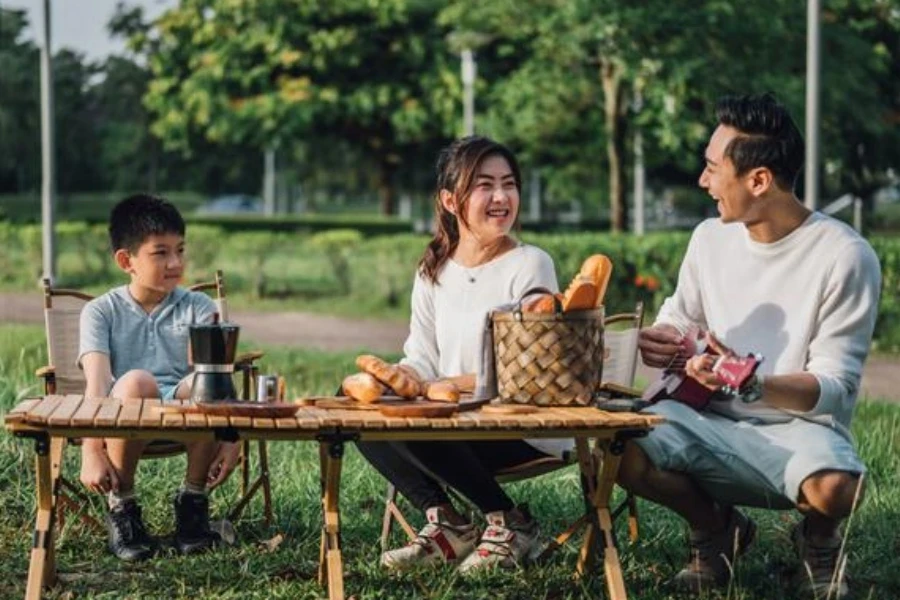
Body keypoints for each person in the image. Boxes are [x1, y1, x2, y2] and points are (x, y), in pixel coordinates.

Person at [619, 94, 881, 598]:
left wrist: (749, 380)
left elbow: (835, 388)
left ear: (758, 180)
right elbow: (681, 315)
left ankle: (819, 541)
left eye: (713, 169)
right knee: (618, 450)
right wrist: (667, 336)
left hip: (796, 431)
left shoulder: (845, 256)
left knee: (838, 486)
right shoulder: (709, 238)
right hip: (706, 421)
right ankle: (716, 531)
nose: (703, 181)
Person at [354, 136, 570, 573]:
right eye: (484, 185)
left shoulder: (530, 264)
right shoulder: (434, 269)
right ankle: (449, 524)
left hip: (519, 424)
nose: (501, 197)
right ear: (451, 200)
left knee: (430, 424)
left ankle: (511, 522)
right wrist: (397, 376)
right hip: (456, 422)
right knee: (359, 419)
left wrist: (445, 386)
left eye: (509, 184)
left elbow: (525, 369)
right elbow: (422, 356)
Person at [78, 194, 241, 561]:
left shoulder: (199, 307)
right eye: (161, 253)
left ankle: (193, 502)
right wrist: (91, 448)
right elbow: (98, 384)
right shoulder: (100, 312)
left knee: (202, 383)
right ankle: (123, 507)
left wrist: (233, 438)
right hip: (124, 416)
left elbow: (217, 378)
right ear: (126, 260)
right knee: (138, 381)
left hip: (185, 417)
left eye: (180, 250)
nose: (176, 263)